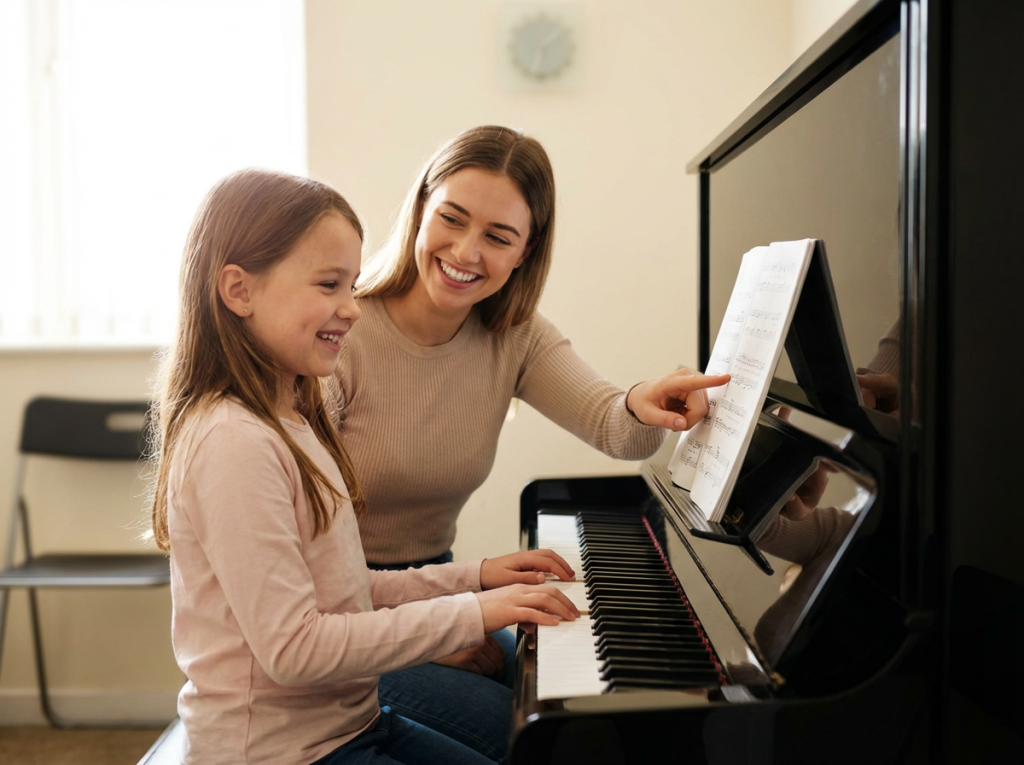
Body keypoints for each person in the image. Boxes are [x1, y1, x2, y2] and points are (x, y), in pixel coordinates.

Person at [147, 168, 581, 765]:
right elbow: (295, 649)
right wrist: (473, 612)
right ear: (239, 290)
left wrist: (479, 577)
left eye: (351, 285)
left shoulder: (292, 418)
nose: (352, 310)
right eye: (329, 285)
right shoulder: (232, 442)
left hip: (351, 725)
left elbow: (350, 590)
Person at [333, 125, 729, 757]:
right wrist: (437, 626)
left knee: (592, 703)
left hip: (440, 584)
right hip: (346, 618)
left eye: (498, 237)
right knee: (537, 736)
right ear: (420, 211)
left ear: (525, 252)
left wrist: (643, 399)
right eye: (452, 219)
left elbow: (615, 428)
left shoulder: (514, 335)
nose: (466, 251)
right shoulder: (340, 335)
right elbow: (298, 555)